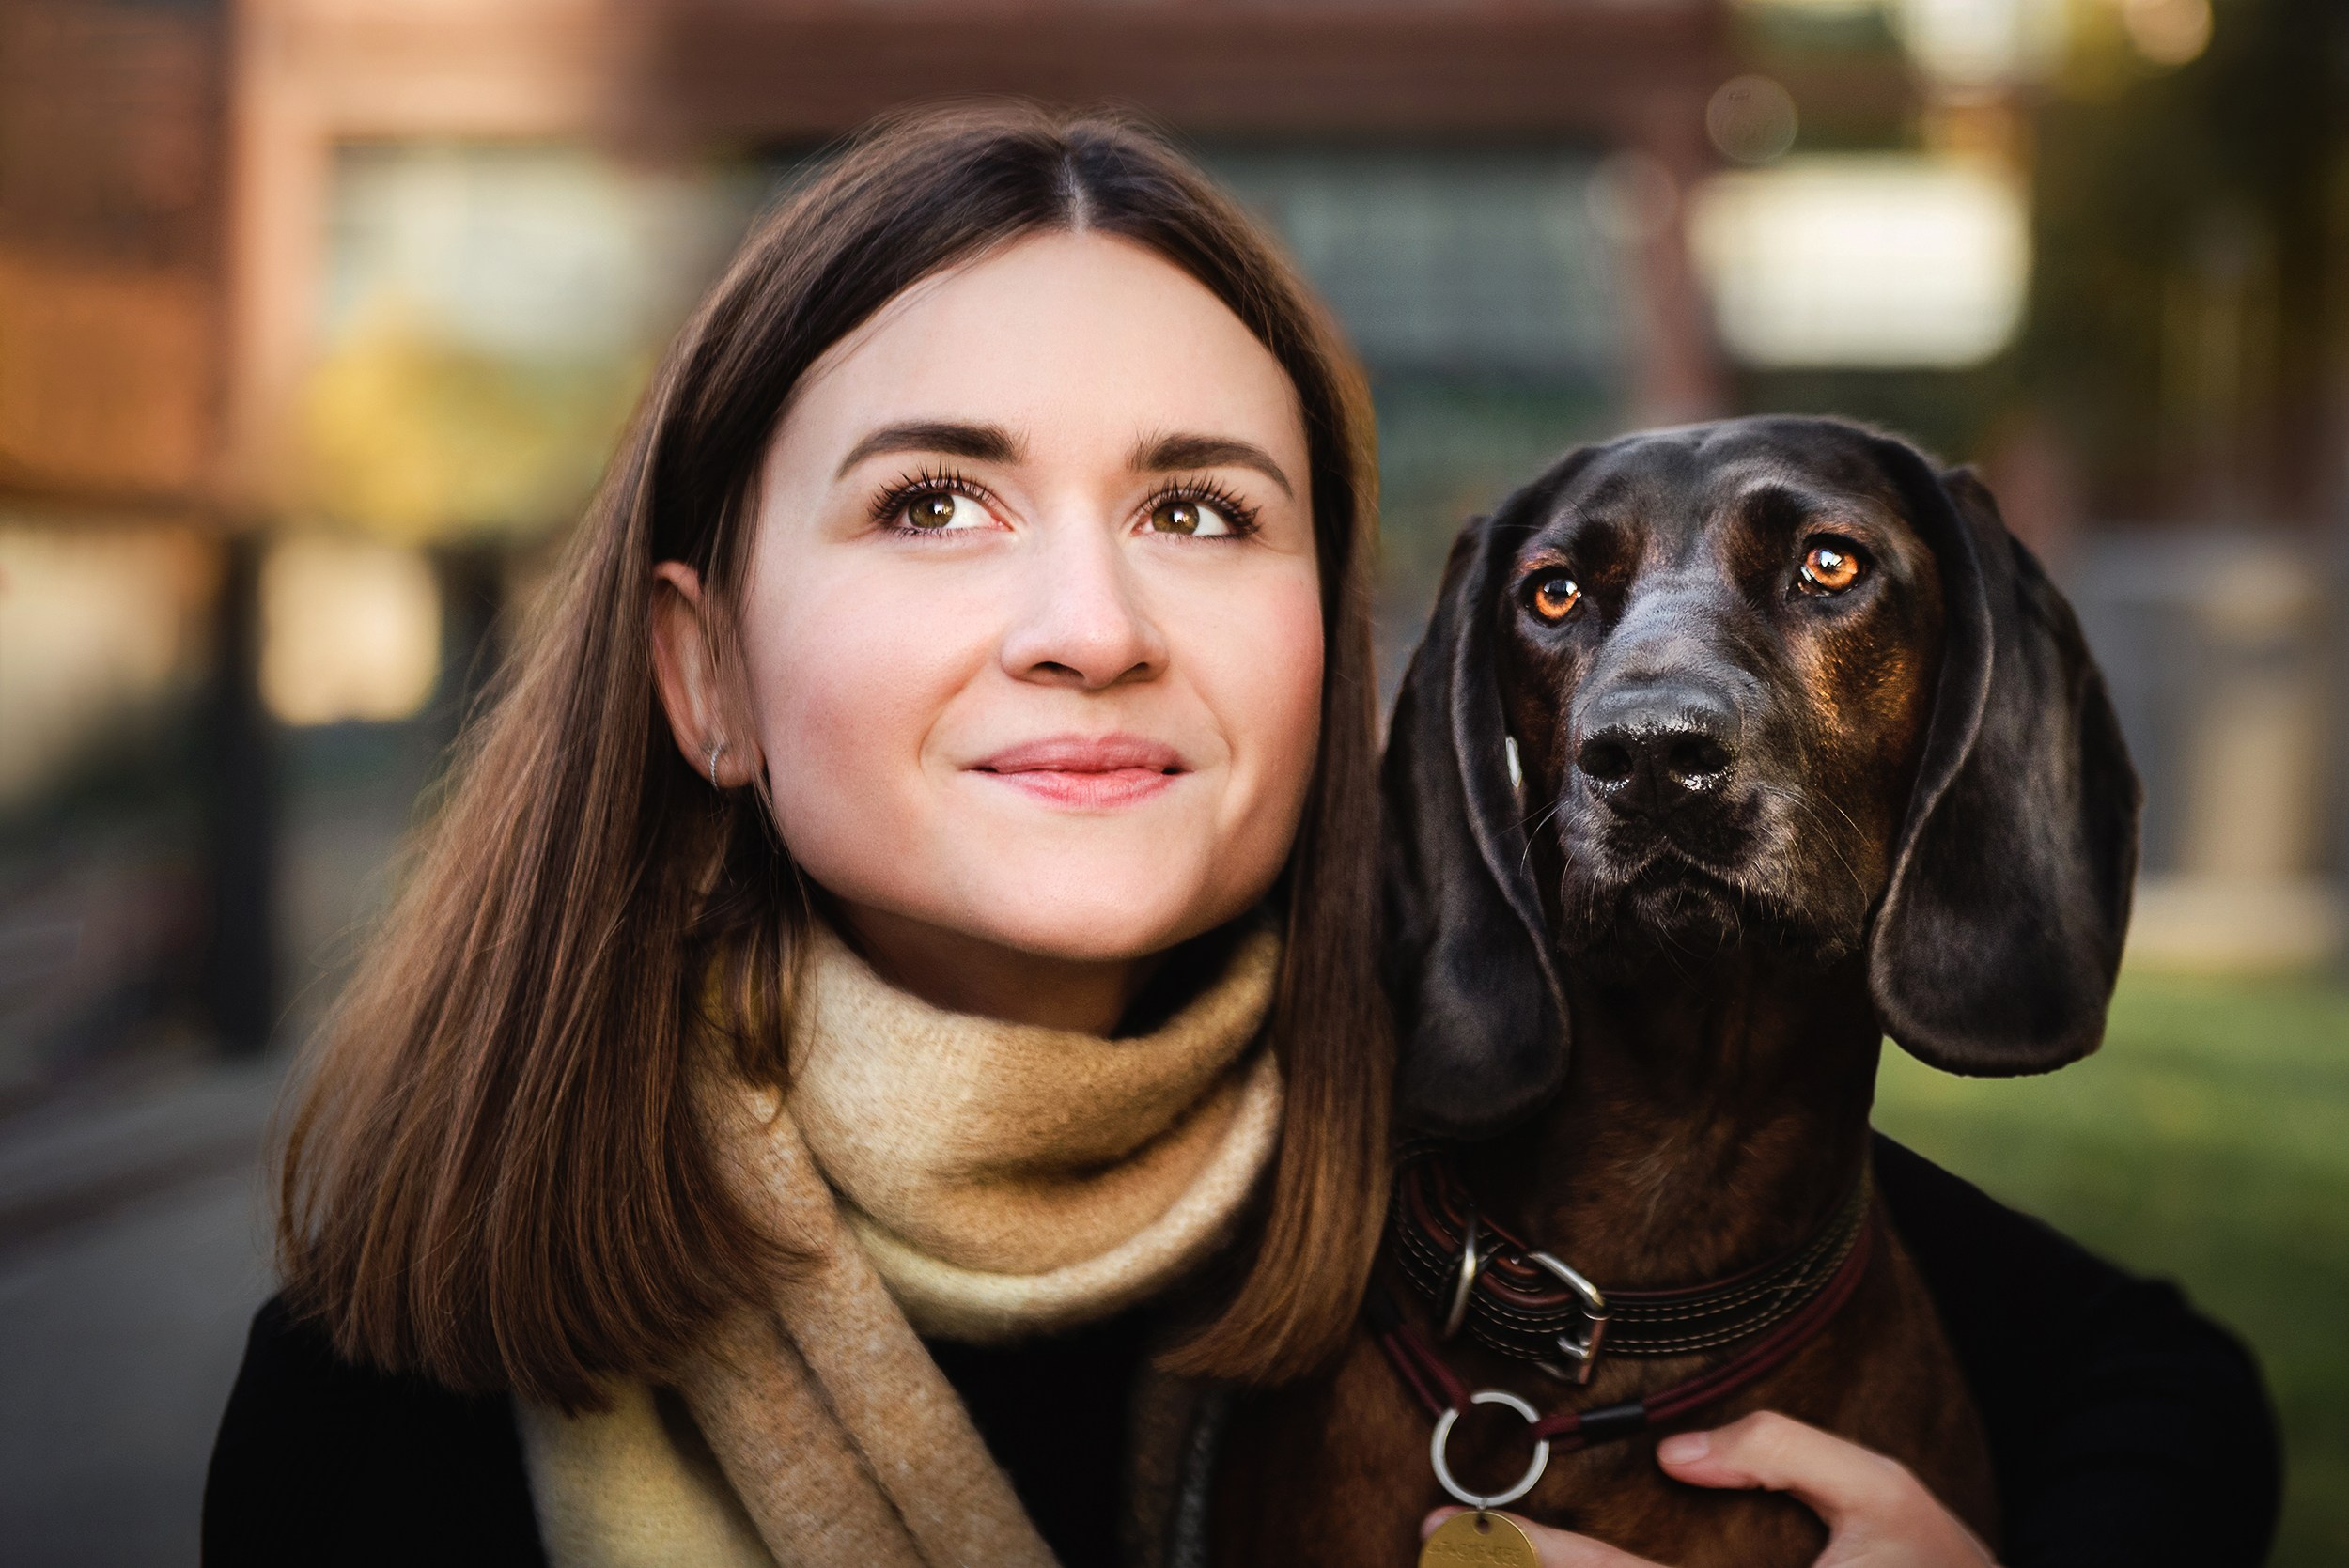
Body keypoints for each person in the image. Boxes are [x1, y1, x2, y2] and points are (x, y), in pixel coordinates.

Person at [203, 105, 2278, 1568]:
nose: (1088, 628)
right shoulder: (389, 1393)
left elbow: (2160, 1381)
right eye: (932, 501)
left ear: (1329, 647)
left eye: (1199, 510)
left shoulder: (1486, 1151)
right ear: (703, 675)